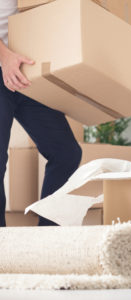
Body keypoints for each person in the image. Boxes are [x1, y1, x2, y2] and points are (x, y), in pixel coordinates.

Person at [0, 1, 82, 226]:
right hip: (4, 62)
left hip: (27, 69)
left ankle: (47, 240)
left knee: (66, 153)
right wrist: (4, 56)